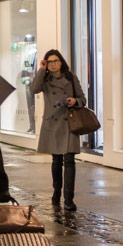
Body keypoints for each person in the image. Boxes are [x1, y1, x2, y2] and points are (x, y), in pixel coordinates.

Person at [30, 49, 86, 211]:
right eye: (50, 62)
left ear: (61, 62)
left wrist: (74, 100)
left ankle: (69, 199)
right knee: (56, 160)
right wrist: (41, 69)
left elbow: (83, 99)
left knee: (69, 161)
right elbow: (34, 89)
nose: (53, 64)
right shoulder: (45, 79)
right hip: (52, 122)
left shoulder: (71, 78)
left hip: (69, 122)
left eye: (56, 61)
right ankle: (56, 192)